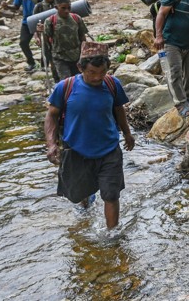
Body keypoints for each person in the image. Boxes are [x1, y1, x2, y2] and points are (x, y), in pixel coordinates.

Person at [44, 41, 134, 229]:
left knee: (111, 194)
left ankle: (112, 236)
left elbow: (119, 110)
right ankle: (85, 209)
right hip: (77, 151)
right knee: (80, 195)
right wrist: (51, 144)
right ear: (80, 68)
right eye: (92, 73)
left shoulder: (111, 84)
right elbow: (51, 115)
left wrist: (127, 133)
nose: (97, 77)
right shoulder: (65, 87)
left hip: (109, 149)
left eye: (102, 72)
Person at [2, 0, 43, 72]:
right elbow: (16, 7)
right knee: (23, 43)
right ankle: (31, 62)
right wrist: (6, 6)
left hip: (40, 20)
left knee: (44, 44)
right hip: (27, 21)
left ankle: (43, 65)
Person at [43, 0, 89, 81]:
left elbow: (82, 37)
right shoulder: (50, 21)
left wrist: (84, 55)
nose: (67, 11)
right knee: (67, 81)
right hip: (60, 57)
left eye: (69, 7)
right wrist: (50, 61)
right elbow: (46, 43)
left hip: (76, 56)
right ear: (56, 8)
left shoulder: (76, 18)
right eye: (63, 8)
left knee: (79, 80)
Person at [34, 0, 58, 79]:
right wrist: (36, 36)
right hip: (44, 33)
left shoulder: (57, 5)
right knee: (46, 51)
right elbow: (34, 23)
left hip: (57, 32)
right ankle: (45, 67)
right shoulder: (39, 7)